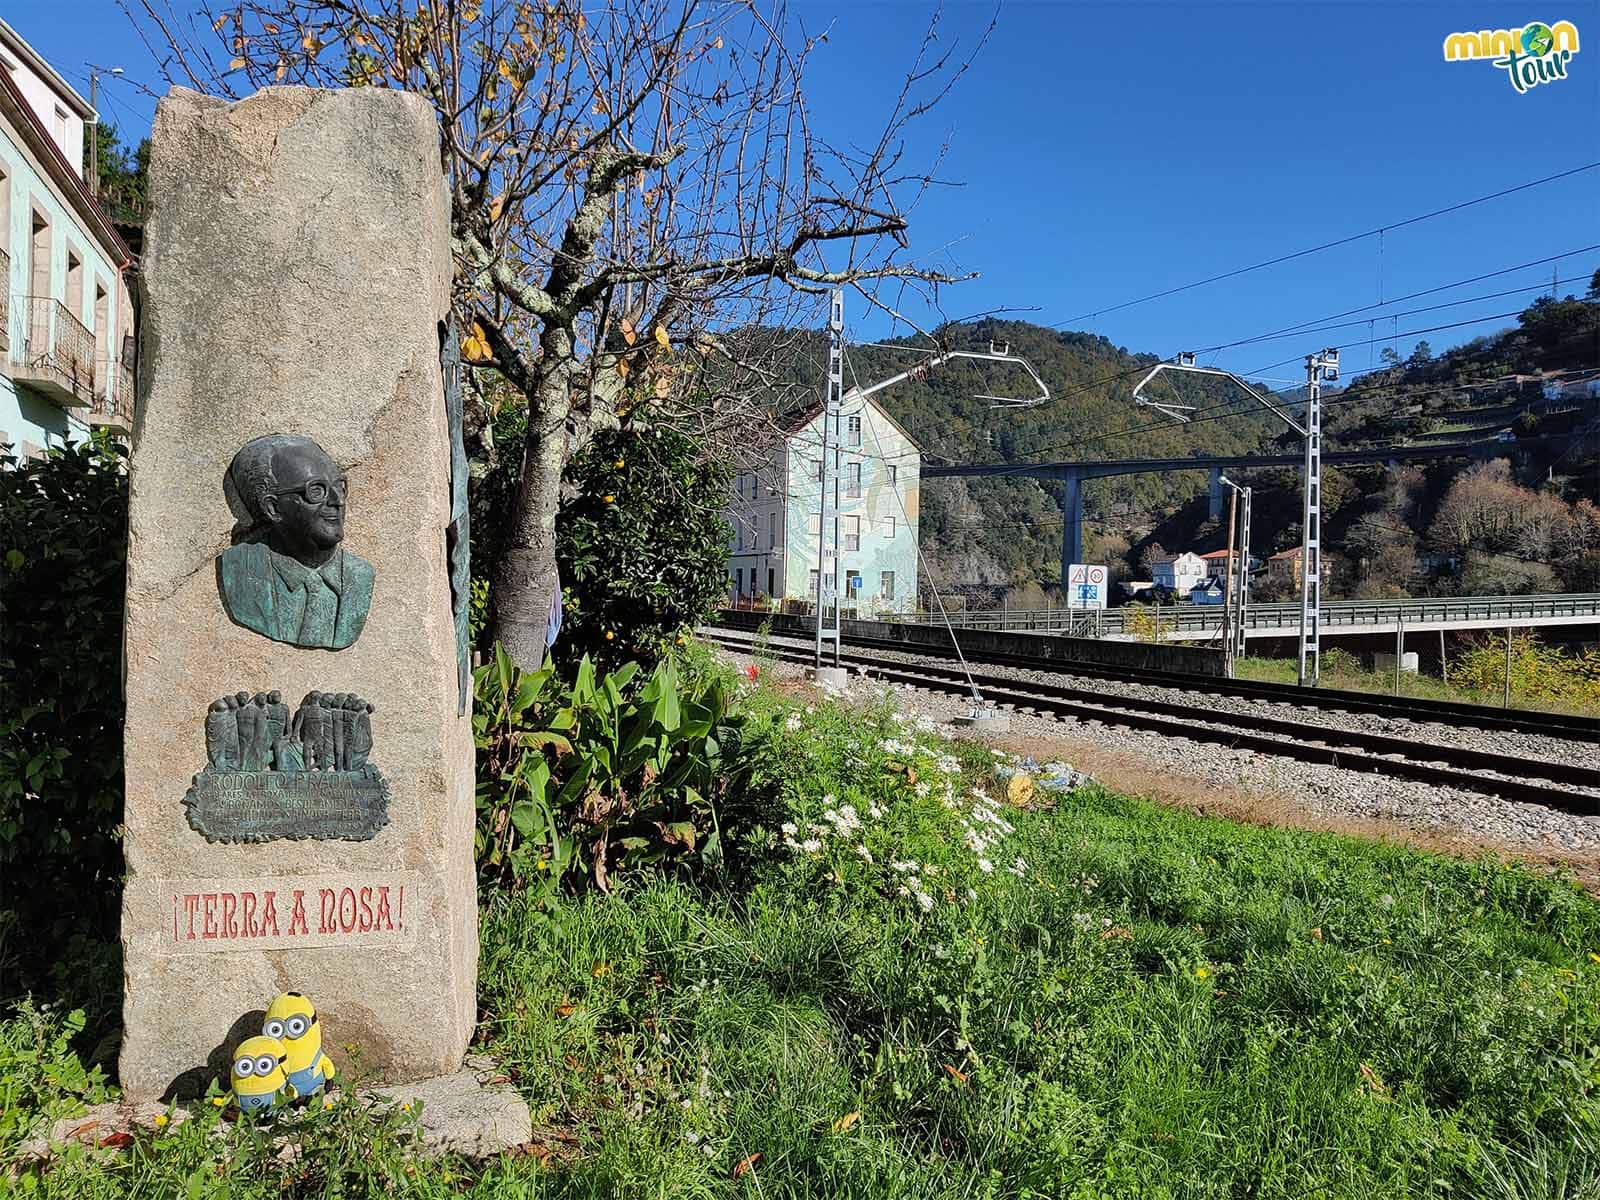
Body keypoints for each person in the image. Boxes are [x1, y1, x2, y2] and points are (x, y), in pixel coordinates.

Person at [218, 435, 375, 650]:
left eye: (339, 486)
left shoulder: (359, 574)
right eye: (316, 491)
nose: (337, 501)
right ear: (273, 508)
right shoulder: (241, 570)